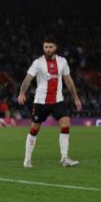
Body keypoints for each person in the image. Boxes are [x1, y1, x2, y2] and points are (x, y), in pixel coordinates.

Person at [18, 36, 83, 168]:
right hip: (41, 102)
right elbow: (28, 79)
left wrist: (76, 98)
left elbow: (69, 81)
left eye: (50, 47)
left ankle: (64, 158)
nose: (47, 49)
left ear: (55, 47)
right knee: (35, 128)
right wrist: (21, 92)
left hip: (57, 101)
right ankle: (27, 160)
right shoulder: (38, 63)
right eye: (45, 47)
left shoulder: (62, 61)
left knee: (65, 122)